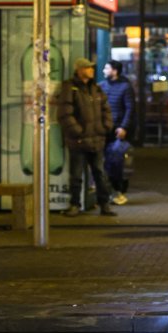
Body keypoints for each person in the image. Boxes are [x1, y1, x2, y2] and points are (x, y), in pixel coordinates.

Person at [57, 57, 117, 217]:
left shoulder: (96, 89)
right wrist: (78, 131)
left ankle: (104, 204)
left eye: (91, 68)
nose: (91, 70)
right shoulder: (70, 88)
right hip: (79, 140)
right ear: (79, 70)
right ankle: (75, 204)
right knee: (76, 174)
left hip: (96, 139)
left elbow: (106, 109)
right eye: (88, 68)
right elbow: (64, 114)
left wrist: (105, 127)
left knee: (99, 173)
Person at [99, 59, 135, 206]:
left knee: (115, 159)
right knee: (106, 161)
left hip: (117, 130)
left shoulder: (125, 87)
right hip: (104, 129)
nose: (103, 71)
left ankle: (118, 189)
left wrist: (124, 127)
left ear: (114, 71)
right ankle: (110, 191)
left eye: (106, 68)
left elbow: (129, 108)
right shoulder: (101, 86)